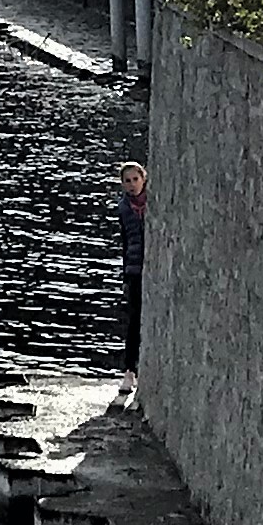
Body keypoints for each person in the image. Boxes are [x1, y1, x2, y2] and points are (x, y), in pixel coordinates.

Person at [117, 160, 149, 383]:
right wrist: (125, 275)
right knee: (135, 320)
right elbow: (125, 242)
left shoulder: (154, 203)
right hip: (135, 269)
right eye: (127, 181)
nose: (132, 184)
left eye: (135, 179)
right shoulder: (124, 208)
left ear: (143, 179)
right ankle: (129, 370)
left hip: (153, 267)